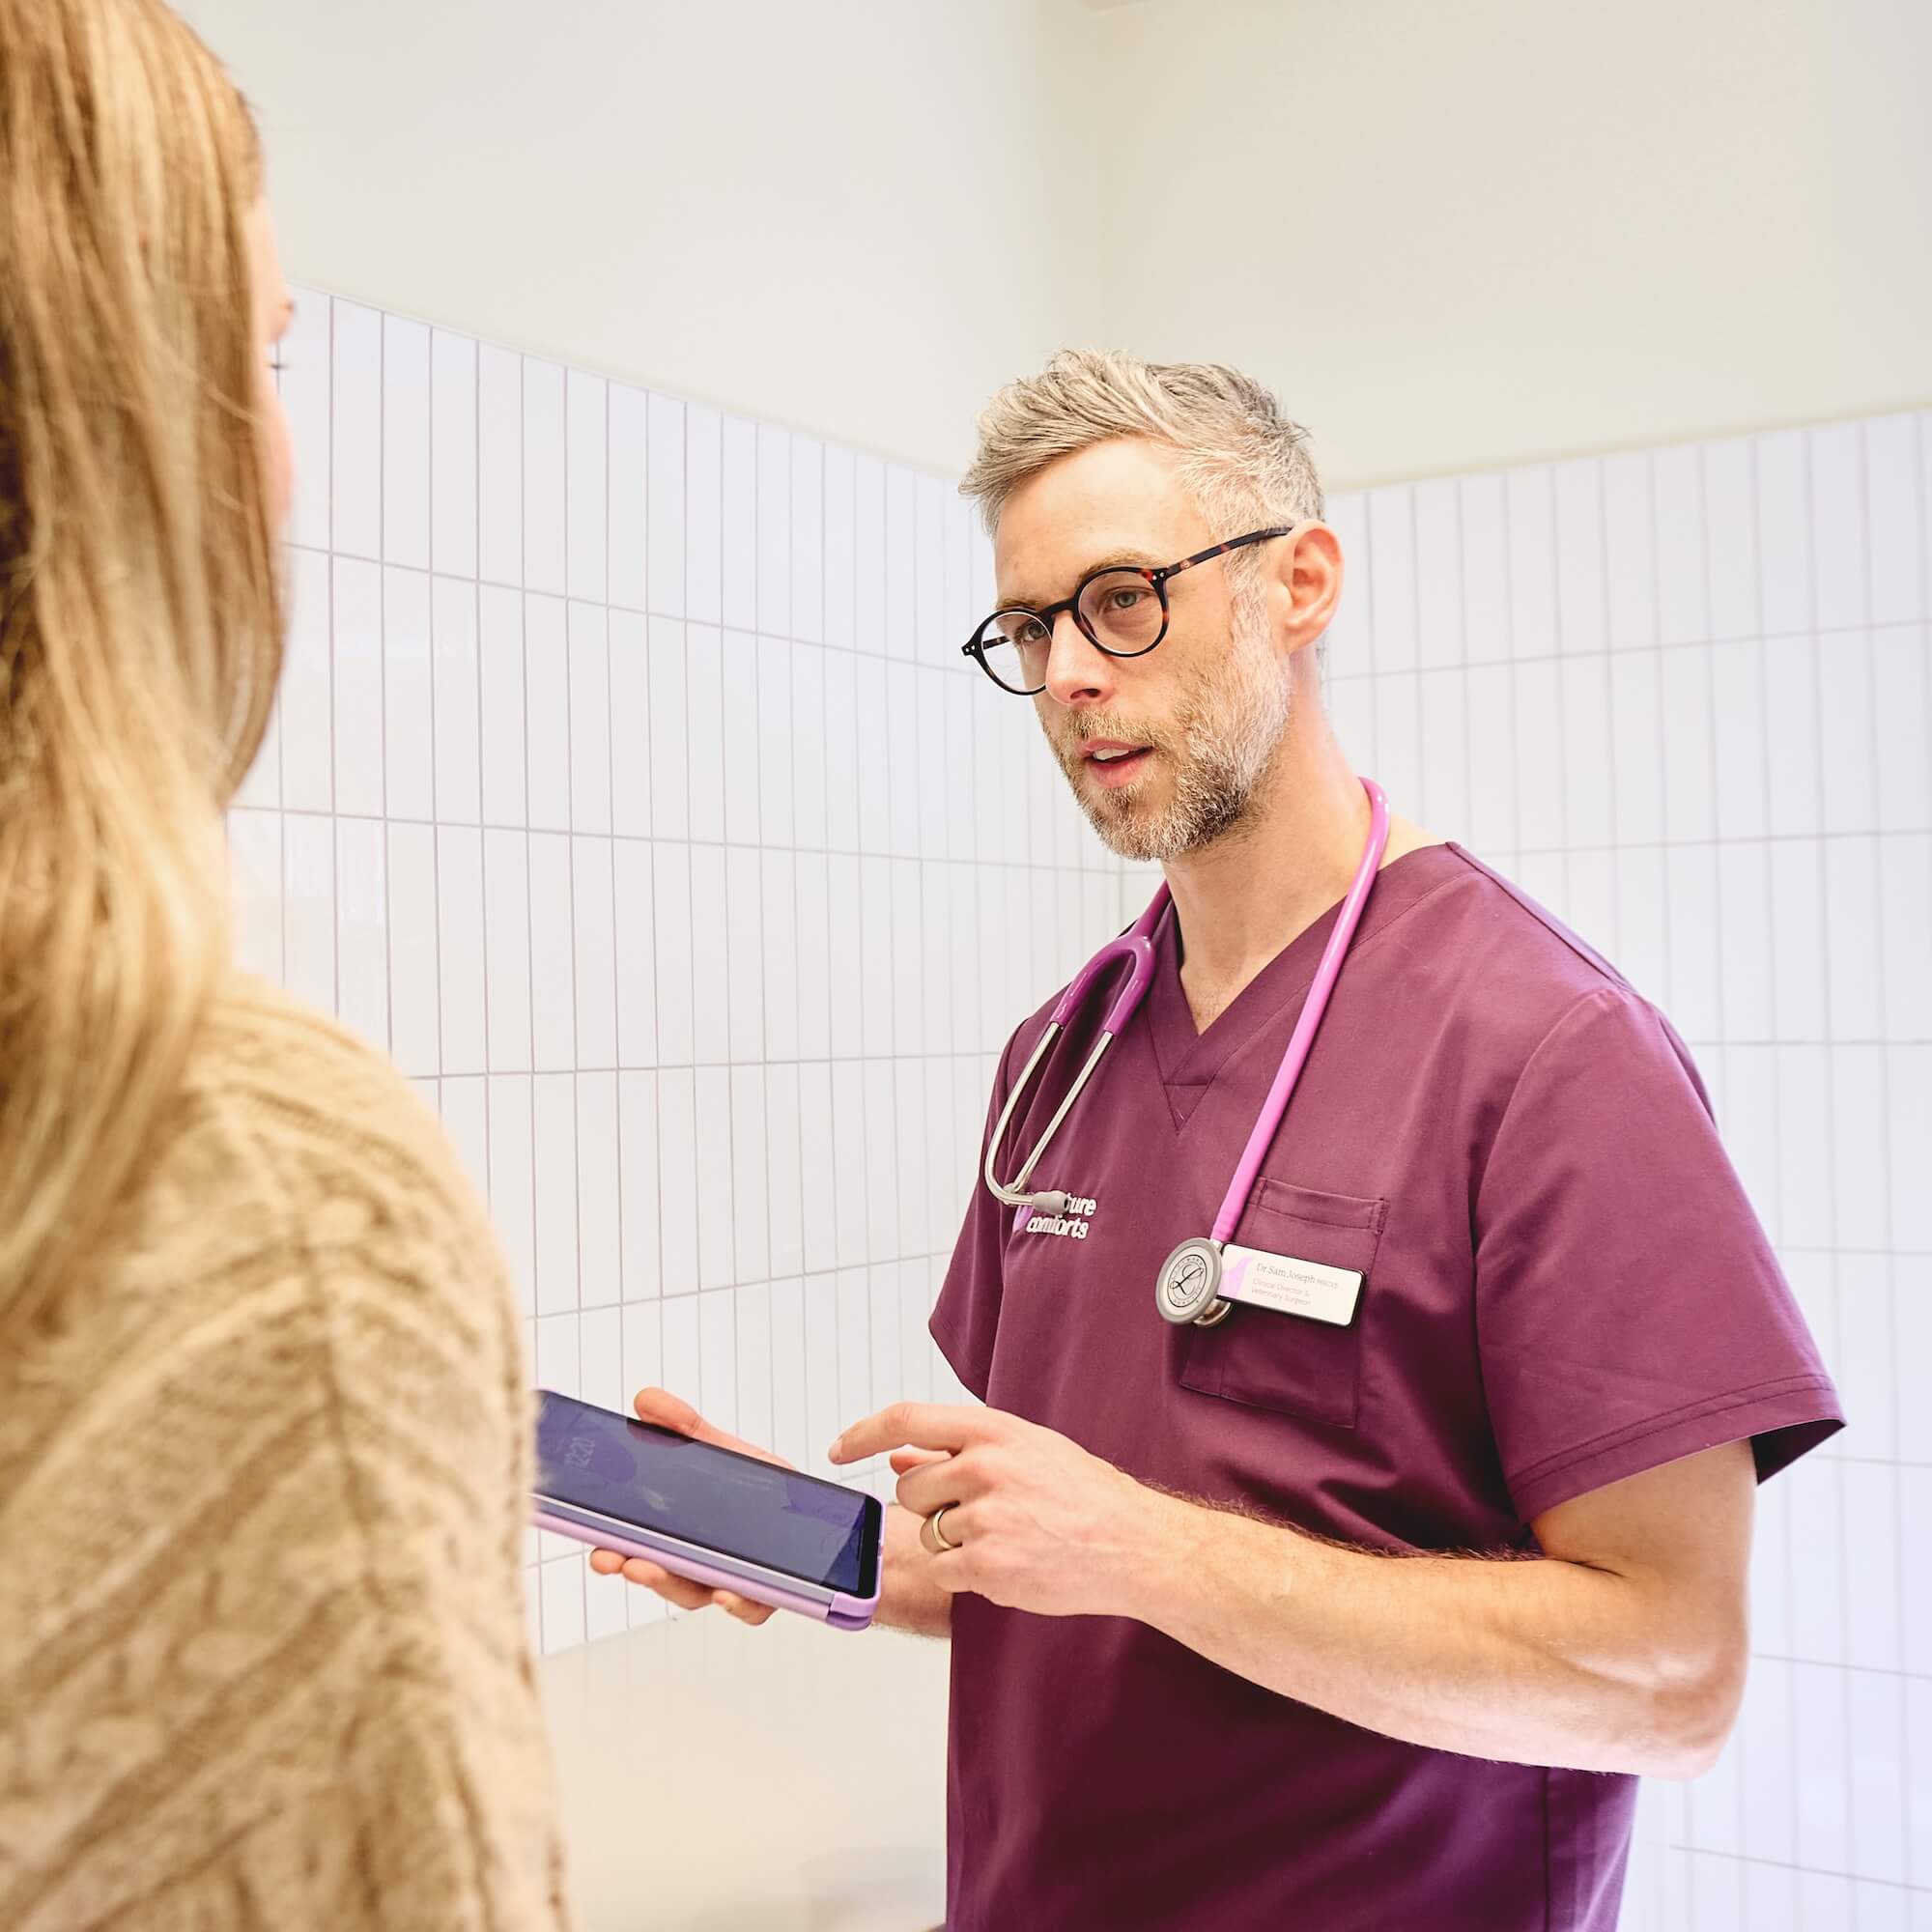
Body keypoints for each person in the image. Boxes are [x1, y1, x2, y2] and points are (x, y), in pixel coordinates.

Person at [596, 352, 1842, 1930]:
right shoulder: (1061, 1053)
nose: (1067, 676)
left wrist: (1146, 1549)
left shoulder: (1550, 1053)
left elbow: (1673, 1679)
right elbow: (1039, 1572)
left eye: (1122, 599)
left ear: (1299, 583)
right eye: (1033, 627)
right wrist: (796, 1539)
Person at [0, 4, 569, 1925]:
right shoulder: (265, 1197)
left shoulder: (1526, 1031)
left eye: (1116, 604)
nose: (1072, 671)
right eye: (259, 356)